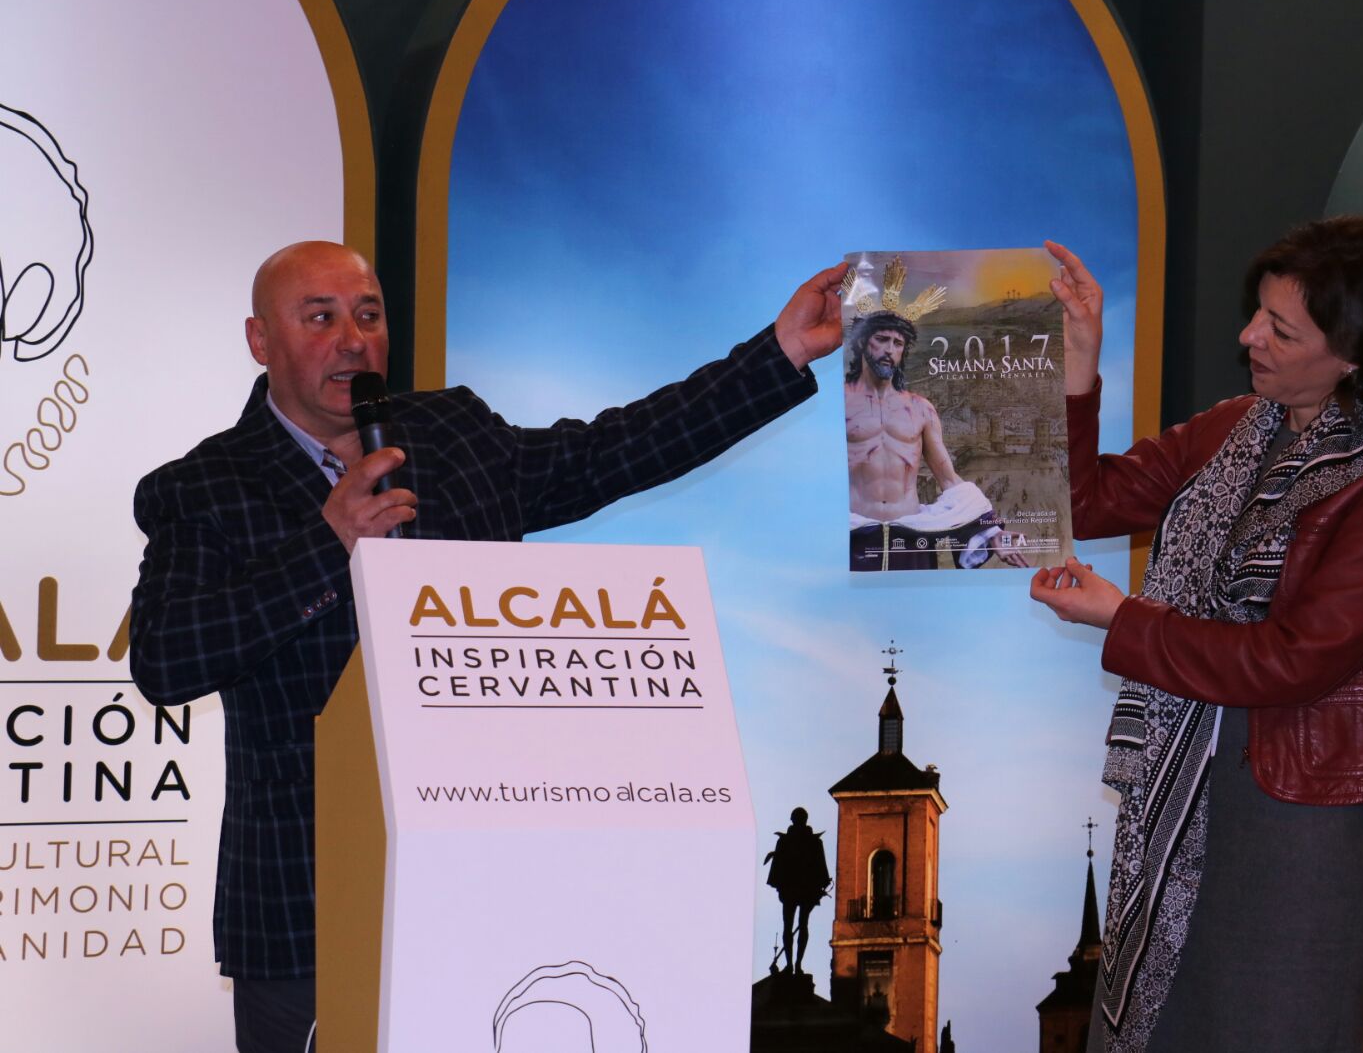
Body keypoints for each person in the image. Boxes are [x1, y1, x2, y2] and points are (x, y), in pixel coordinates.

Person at [128, 240, 846, 1053]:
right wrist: (330, 542)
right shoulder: (203, 487)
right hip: (310, 912)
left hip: (495, 894)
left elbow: (611, 450)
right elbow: (167, 658)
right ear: (261, 341)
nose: (352, 340)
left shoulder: (453, 433)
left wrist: (779, 352)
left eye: (368, 315)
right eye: (320, 318)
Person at [1029, 220, 1363, 1052]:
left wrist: (1123, 619)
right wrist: (1078, 367)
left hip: (1298, 814)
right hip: (1182, 783)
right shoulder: (1235, 425)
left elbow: (1294, 662)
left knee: (1275, 1024)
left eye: (1280, 330)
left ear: (1355, 356)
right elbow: (1085, 502)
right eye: (1257, 311)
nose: (1248, 336)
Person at [844, 309, 1025, 570]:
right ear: (862, 341)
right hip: (855, 536)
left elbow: (949, 480)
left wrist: (991, 531)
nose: (889, 350)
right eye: (881, 339)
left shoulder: (920, 409)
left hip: (911, 539)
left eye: (898, 343)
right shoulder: (840, 403)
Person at [763, 806, 831, 973]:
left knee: (794, 925)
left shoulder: (803, 842)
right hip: (797, 889)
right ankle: (794, 964)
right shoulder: (805, 842)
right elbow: (821, 870)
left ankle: (794, 964)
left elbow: (820, 868)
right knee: (798, 925)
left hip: (797, 890)